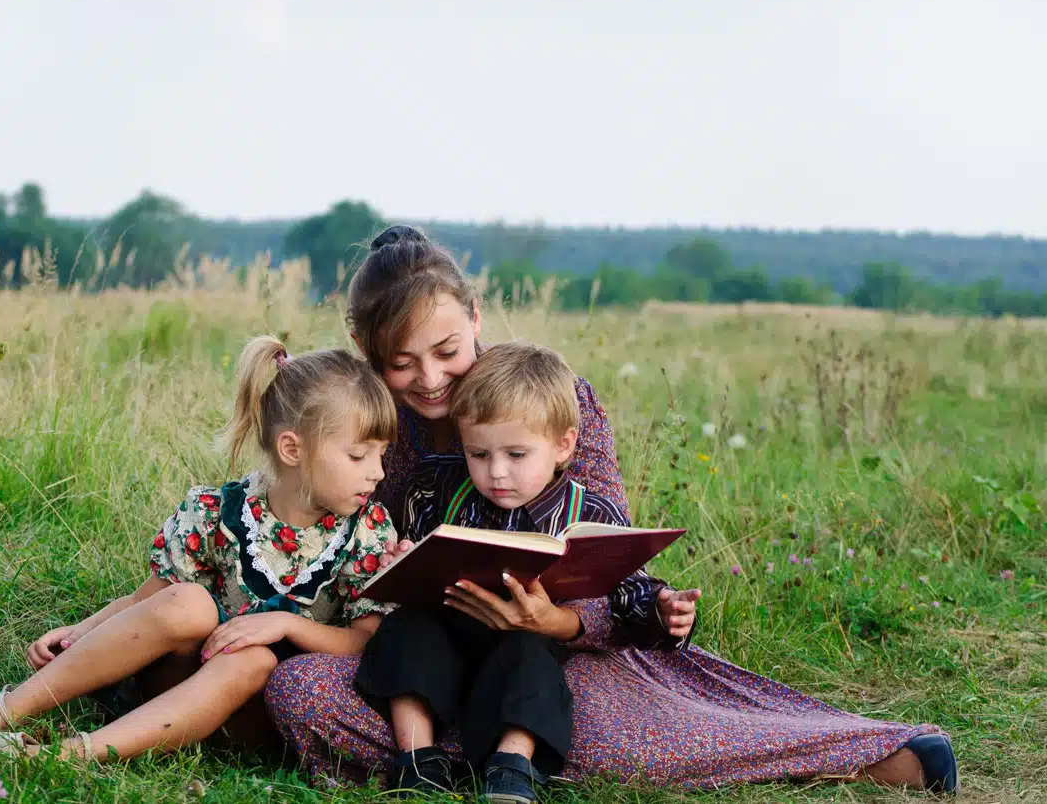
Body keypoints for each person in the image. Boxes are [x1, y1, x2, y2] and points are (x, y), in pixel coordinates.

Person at [263, 226, 959, 795]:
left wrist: (557, 619)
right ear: (366, 353)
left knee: (598, 717)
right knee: (301, 690)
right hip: (420, 650)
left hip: (560, 654)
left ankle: (868, 754)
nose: (431, 379)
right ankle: (465, 755)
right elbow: (315, 530)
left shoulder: (553, 399)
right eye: (401, 364)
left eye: (446, 351)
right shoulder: (367, 419)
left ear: (475, 318)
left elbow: (607, 557)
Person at [0, 337, 399, 761]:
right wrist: (81, 631)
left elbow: (363, 642)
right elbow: (144, 602)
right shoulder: (216, 512)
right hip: (177, 683)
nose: (376, 472)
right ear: (292, 449)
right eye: (359, 456)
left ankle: (75, 753)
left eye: (382, 454)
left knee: (255, 658)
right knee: (188, 602)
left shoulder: (367, 533)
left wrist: (284, 623)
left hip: (262, 709)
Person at [356, 342, 699, 804]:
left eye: (517, 455)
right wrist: (402, 556)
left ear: (564, 445)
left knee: (531, 654)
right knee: (404, 629)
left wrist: (663, 611)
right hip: (444, 637)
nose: (496, 473)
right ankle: (418, 758)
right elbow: (410, 548)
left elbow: (627, 590)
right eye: (478, 454)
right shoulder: (438, 486)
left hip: (527, 645)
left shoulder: (589, 511)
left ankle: (513, 763)